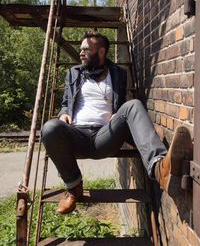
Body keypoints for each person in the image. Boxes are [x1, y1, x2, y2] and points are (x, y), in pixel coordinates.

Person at [42, 31, 193, 214]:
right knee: (50, 128)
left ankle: (159, 169)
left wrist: (118, 115)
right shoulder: (74, 73)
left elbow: (120, 105)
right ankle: (74, 188)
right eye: (81, 49)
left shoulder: (118, 74)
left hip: (105, 136)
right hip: (77, 136)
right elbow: (66, 103)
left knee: (133, 105)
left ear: (101, 52)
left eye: (86, 49)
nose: (80, 52)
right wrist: (64, 114)